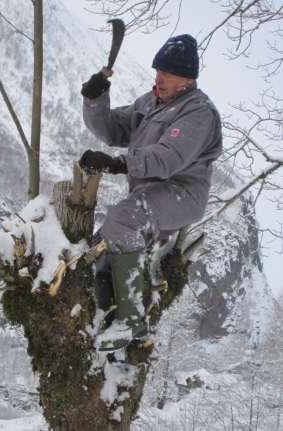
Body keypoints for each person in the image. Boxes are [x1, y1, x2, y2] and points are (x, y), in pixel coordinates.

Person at [79, 34, 222, 352]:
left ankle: (132, 321)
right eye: (158, 70)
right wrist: (95, 100)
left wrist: (117, 164)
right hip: (149, 192)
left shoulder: (198, 113)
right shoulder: (150, 102)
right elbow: (112, 130)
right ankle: (110, 322)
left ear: (188, 78)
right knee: (98, 251)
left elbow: (167, 159)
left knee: (123, 220)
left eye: (168, 73)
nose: (159, 78)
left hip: (182, 192)